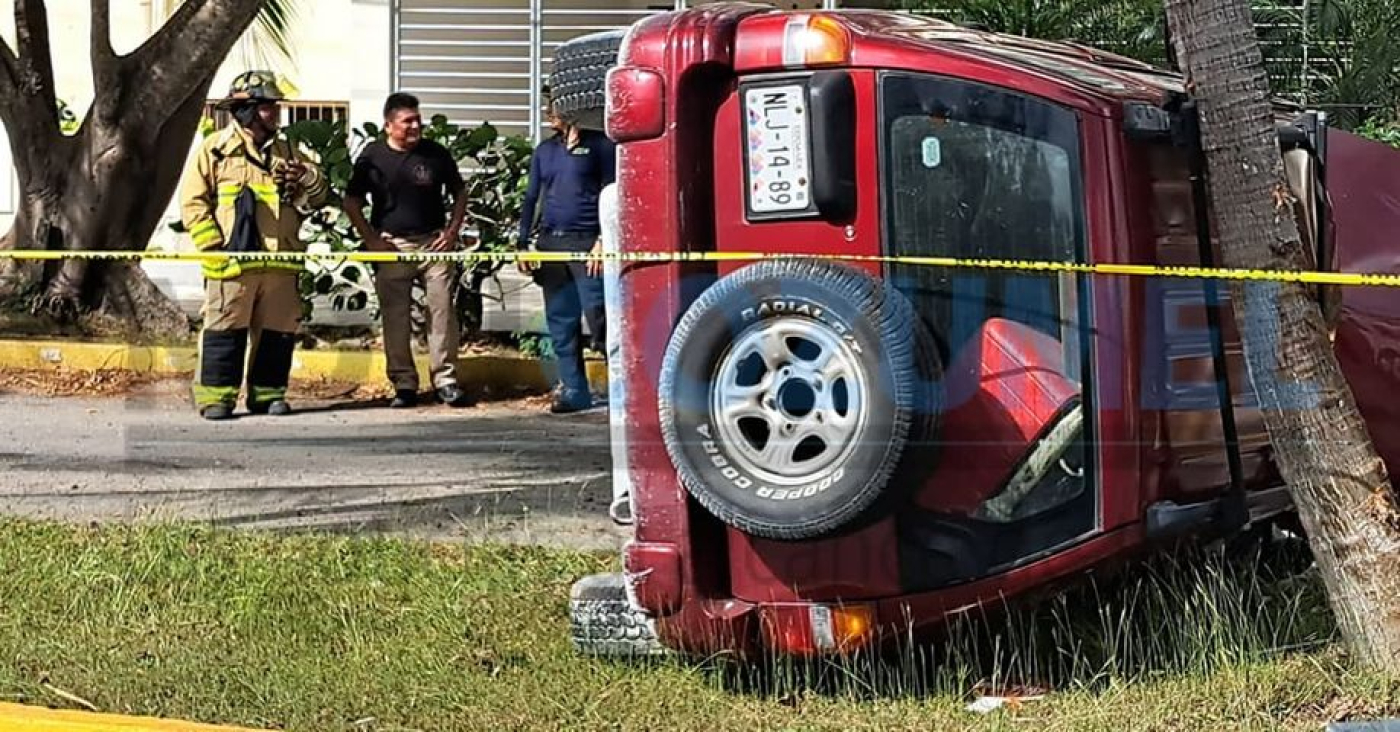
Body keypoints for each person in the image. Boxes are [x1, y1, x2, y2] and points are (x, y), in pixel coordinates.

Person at [180, 70, 329, 421]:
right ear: (246, 111)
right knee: (225, 331)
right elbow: (193, 203)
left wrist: (307, 178)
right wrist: (214, 248)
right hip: (232, 266)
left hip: (281, 264)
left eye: (275, 107)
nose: (275, 114)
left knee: (277, 334)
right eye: (267, 107)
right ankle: (217, 398)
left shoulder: (289, 151)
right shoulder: (214, 151)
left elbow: (319, 197)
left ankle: (268, 395)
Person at [344, 92, 472, 409]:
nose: (415, 125)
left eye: (418, 119)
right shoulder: (372, 156)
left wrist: (452, 231)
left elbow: (459, 191)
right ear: (389, 125)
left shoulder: (435, 153)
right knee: (395, 318)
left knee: (441, 312)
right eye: (407, 121)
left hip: (434, 244)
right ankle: (404, 384)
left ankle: (445, 380)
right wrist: (371, 239)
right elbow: (352, 201)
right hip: (393, 246)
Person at [518, 89, 616, 414]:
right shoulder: (545, 151)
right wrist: (522, 243)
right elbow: (531, 199)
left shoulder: (600, 146)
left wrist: (603, 240)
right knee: (561, 321)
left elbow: (612, 193)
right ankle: (574, 389)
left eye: (554, 106)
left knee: (600, 317)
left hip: (588, 244)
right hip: (551, 244)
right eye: (546, 106)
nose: (549, 112)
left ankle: (622, 390)